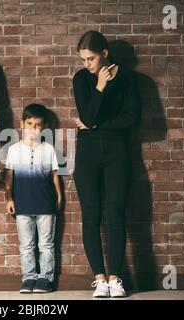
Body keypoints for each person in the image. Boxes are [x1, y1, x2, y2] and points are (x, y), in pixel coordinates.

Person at [72, 31, 141, 298]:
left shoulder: (128, 78)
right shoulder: (81, 79)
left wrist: (98, 125)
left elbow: (133, 118)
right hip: (87, 154)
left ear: (105, 54)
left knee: (115, 213)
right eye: (83, 59)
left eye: (91, 59)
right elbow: (87, 115)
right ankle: (99, 280)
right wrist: (99, 86)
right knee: (91, 214)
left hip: (117, 153)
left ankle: (115, 279)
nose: (86, 64)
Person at [4, 104, 62, 294]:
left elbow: (54, 175)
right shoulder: (13, 150)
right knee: (26, 245)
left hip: (45, 205)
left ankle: (45, 278)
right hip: (22, 204)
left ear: (43, 127)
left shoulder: (49, 149)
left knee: (45, 245)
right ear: (22, 124)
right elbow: (9, 177)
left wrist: (59, 197)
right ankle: (29, 277)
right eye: (29, 124)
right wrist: (9, 198)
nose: (33, 129)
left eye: (37, 125)